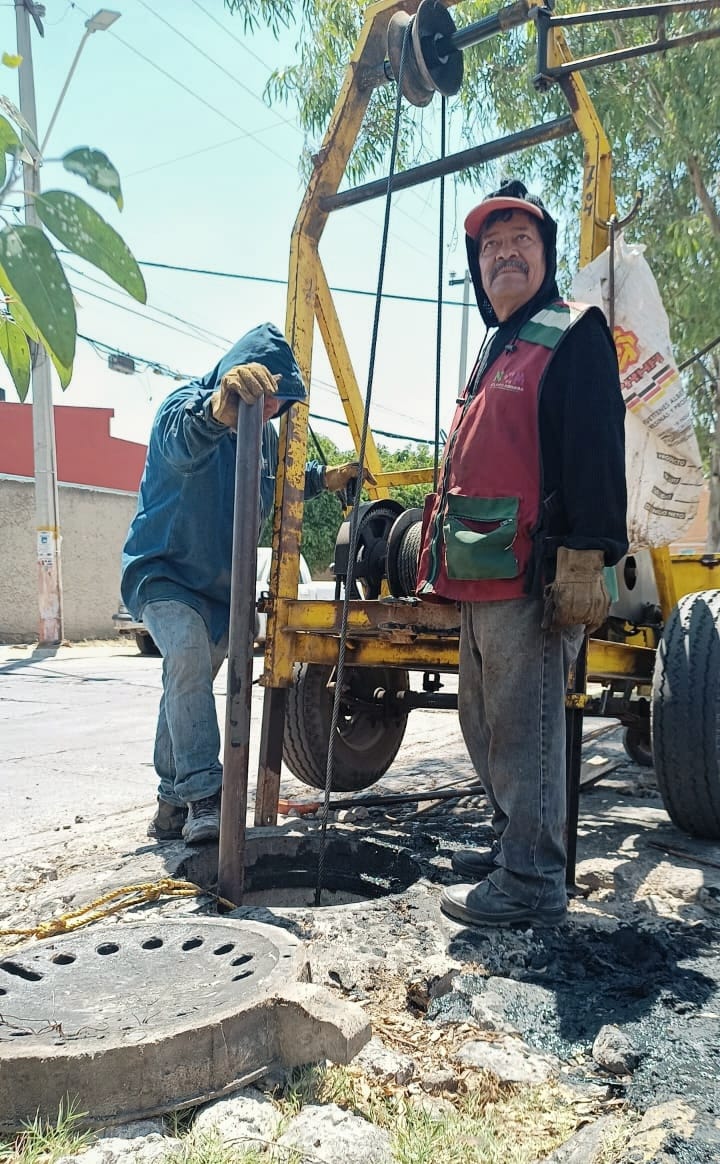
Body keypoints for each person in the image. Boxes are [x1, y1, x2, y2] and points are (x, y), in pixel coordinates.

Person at [416, 179, 627, 927]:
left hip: (533, 576)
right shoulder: (495, 349)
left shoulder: (574, 332)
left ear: (547, 256)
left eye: (521, 242)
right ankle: (513, 845)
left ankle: (533, 881)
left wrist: (589, 555)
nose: (504, 255)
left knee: (524, 727)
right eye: (491, 247)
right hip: (480, 576)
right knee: (486, 726)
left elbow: (596, 444)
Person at [122, 322, 370, 844]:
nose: (273, 408)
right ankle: (206, 797)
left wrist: (327, 478)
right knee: (187, 654)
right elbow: (187, 436)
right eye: (269, 398)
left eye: (281, 402)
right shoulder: (182, 407)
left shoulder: (267, 432)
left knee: (184, 682)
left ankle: (171, 803)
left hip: (220, 589)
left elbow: (277, 487)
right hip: (163, 573)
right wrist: (221, 408)